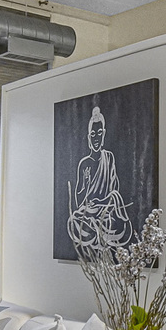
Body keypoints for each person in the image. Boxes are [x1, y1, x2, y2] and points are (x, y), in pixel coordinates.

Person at [67, 105, 133, 251]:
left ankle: (99, 232)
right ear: (89, 137)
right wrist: (86, 183)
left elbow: (114, 192)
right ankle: (95, 232)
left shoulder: (108, 157)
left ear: (103, 134)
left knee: (116, 222)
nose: (96, 137)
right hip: (88, 213)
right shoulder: (84, 163)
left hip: (105, 211)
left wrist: (101, 202)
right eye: (93, 134)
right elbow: (79, 200)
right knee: (74, 221)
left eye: (99, 133)